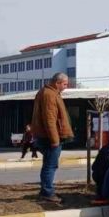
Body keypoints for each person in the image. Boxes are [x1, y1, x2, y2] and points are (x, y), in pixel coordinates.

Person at [31, 73, 73, 203]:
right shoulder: (49, 95)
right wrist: (55, 140)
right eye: (65, 84)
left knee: (48, 164)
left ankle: (46, 191)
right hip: (49, 138)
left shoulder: (48, 93)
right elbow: (50, 119)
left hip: (45, 136)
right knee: (50, 165)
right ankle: (47, 193)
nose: (66, 87)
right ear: (57, 83)